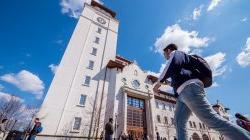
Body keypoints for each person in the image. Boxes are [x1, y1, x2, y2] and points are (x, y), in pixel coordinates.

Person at [153, 44, 250, 140]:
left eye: (164, 54)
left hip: (189, 89)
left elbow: (172, 64)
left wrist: (158, 83)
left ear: (168, 50)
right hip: (182, 94)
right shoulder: (181, 66)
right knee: (179, 122)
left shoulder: (176, 53)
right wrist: (168, 83)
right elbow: (179, 80)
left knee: (211, 119)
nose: (165, 56)